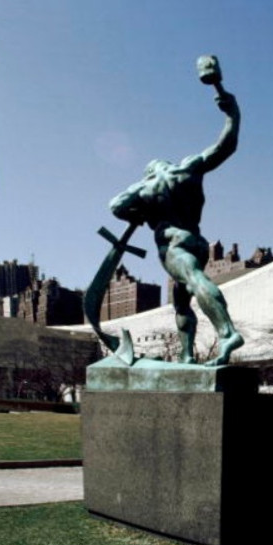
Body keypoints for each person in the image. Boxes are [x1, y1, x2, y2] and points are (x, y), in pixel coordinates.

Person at [108, 89, 244, 366]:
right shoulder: (188, 169)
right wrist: (233, 115)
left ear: (149, 172)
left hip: (173, 244)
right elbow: (225, 146)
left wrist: (141, 212)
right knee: (181, 302)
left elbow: (116, 206)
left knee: (193, 279)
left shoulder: (145, 186)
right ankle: (187, 355)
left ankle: (227, 332)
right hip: (197, 242)